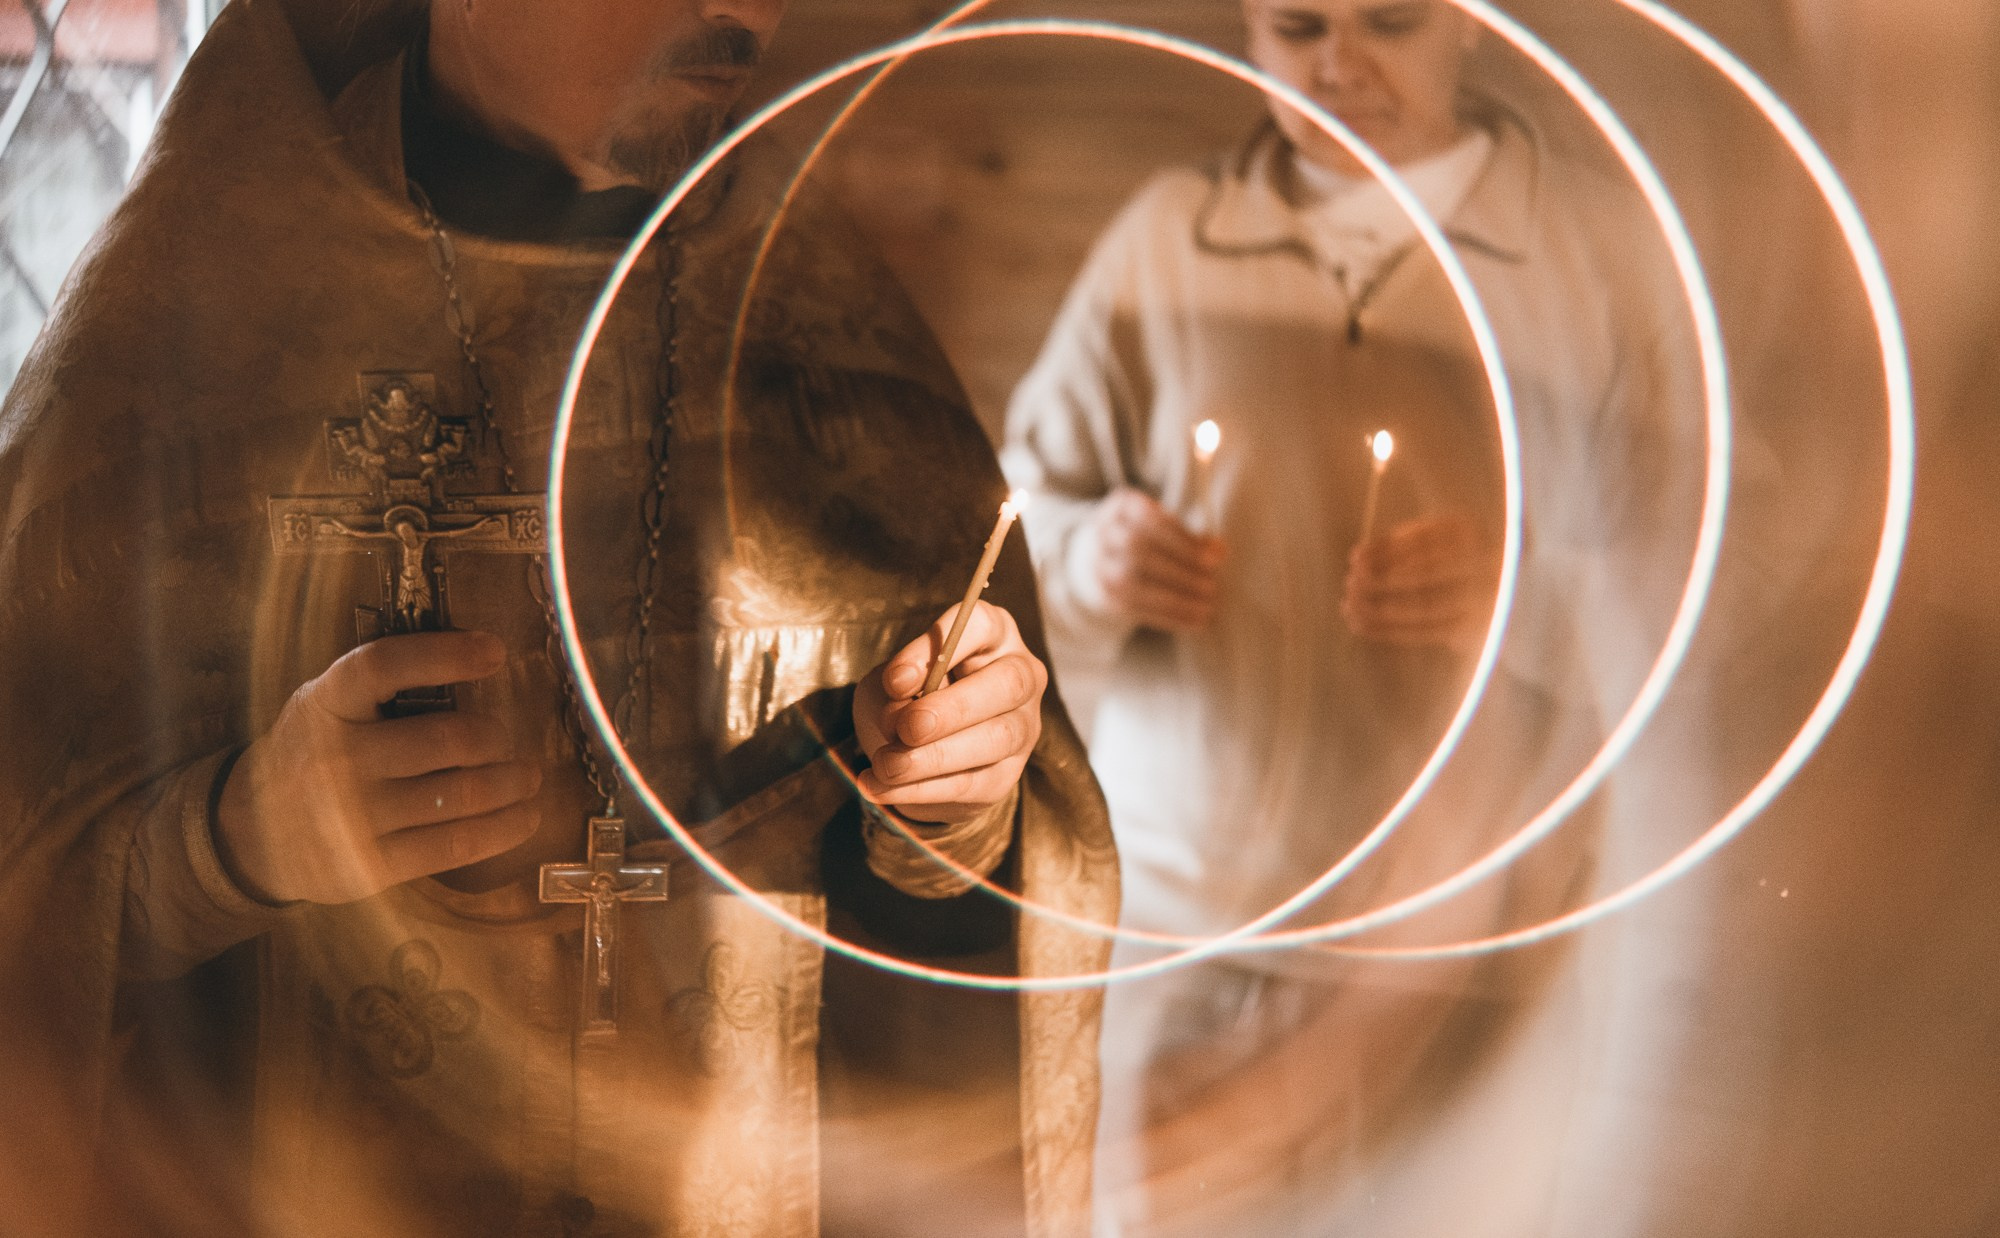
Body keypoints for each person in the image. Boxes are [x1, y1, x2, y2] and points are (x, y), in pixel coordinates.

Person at [0, 0, 1117, 1234]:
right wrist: (239, 841)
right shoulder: (196, 325)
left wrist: (952, 804)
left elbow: (962, 916)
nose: (738, 11)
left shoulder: (822, 317)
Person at [1001, 0, 1700, 1231]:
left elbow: (1711, 568)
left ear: (1471, 26)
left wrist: (1526, 597)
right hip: (1194, 916)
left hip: (1472, 937)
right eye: (1296, 25)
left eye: (1391, 21)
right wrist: (1088, 557)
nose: (1340, 65)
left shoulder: (1597, 252)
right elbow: (1017, 517)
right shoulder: (1166, 238)